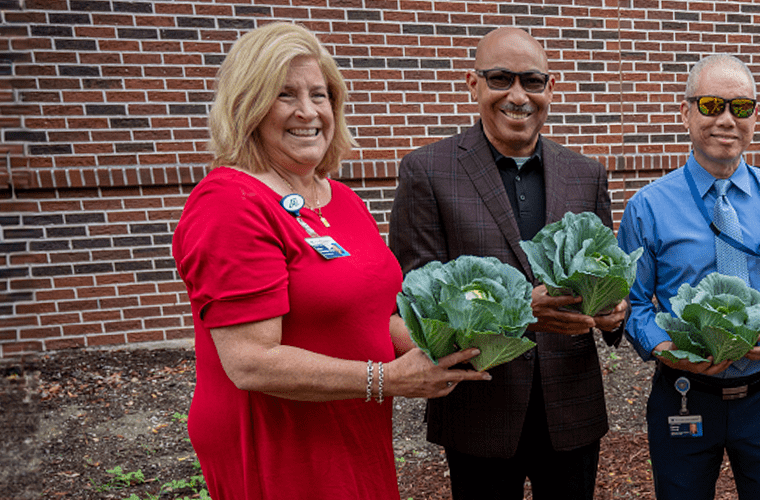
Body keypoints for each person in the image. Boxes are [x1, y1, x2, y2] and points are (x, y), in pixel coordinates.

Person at [172, 22, 489, 500]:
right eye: (284, 95)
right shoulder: (229, 202)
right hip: (280, 445)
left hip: (351, 427)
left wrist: (453, 345)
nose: (308, 111)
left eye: (319, 94)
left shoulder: (339, 199)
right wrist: (385, 379)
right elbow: (251, 362)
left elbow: (369, 316)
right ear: (248, 106)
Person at [387, 27, 627, 500]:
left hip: (571, 408)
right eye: (500, 78)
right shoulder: (428, 172)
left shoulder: (586, 174)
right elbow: (420, 306)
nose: (517, 95)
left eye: (531, 81)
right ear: (473, 85)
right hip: (480, 407)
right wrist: (521, 315)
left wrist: (614, 310)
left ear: (549, 89)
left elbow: (608, 269)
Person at [618, 54, 760, 500]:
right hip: (685, 394)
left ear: (754, 117)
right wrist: (665, 349)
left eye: (740, 107)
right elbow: (632, 304)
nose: (726, 119)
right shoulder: (646, 208)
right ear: (684, 112)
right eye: (711, 105)